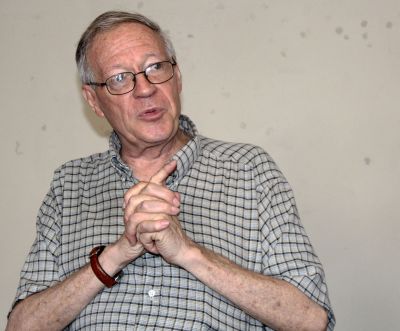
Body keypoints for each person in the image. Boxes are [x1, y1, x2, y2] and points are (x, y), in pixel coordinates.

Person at [7, 11, 335, 331]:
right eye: (120, 78)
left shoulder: (249, 170)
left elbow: (311, 320)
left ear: (177, 77)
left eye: (155, 67)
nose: (145, 88)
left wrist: (188, 252)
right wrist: (117, 254)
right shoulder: (70, 184)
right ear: (94, 101)